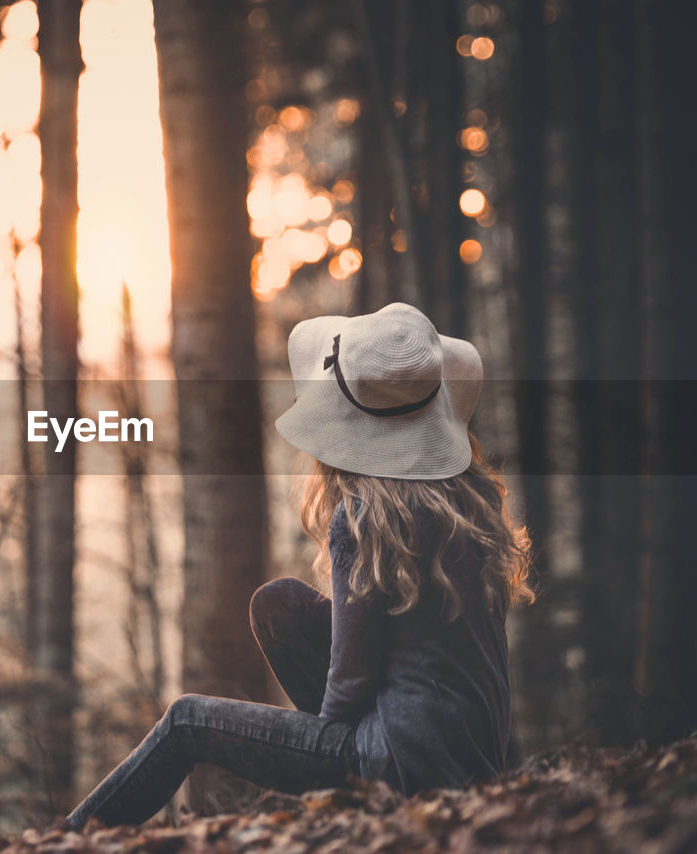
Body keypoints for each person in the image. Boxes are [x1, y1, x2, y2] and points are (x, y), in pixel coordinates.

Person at [63, 302, 534, 831]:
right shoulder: (471, 501)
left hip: (397, 766)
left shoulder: (363, 517)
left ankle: (66, 839)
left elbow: (351, 680)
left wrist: (321, 749)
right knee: (278, 604)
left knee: (186, 721)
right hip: (469, 758)